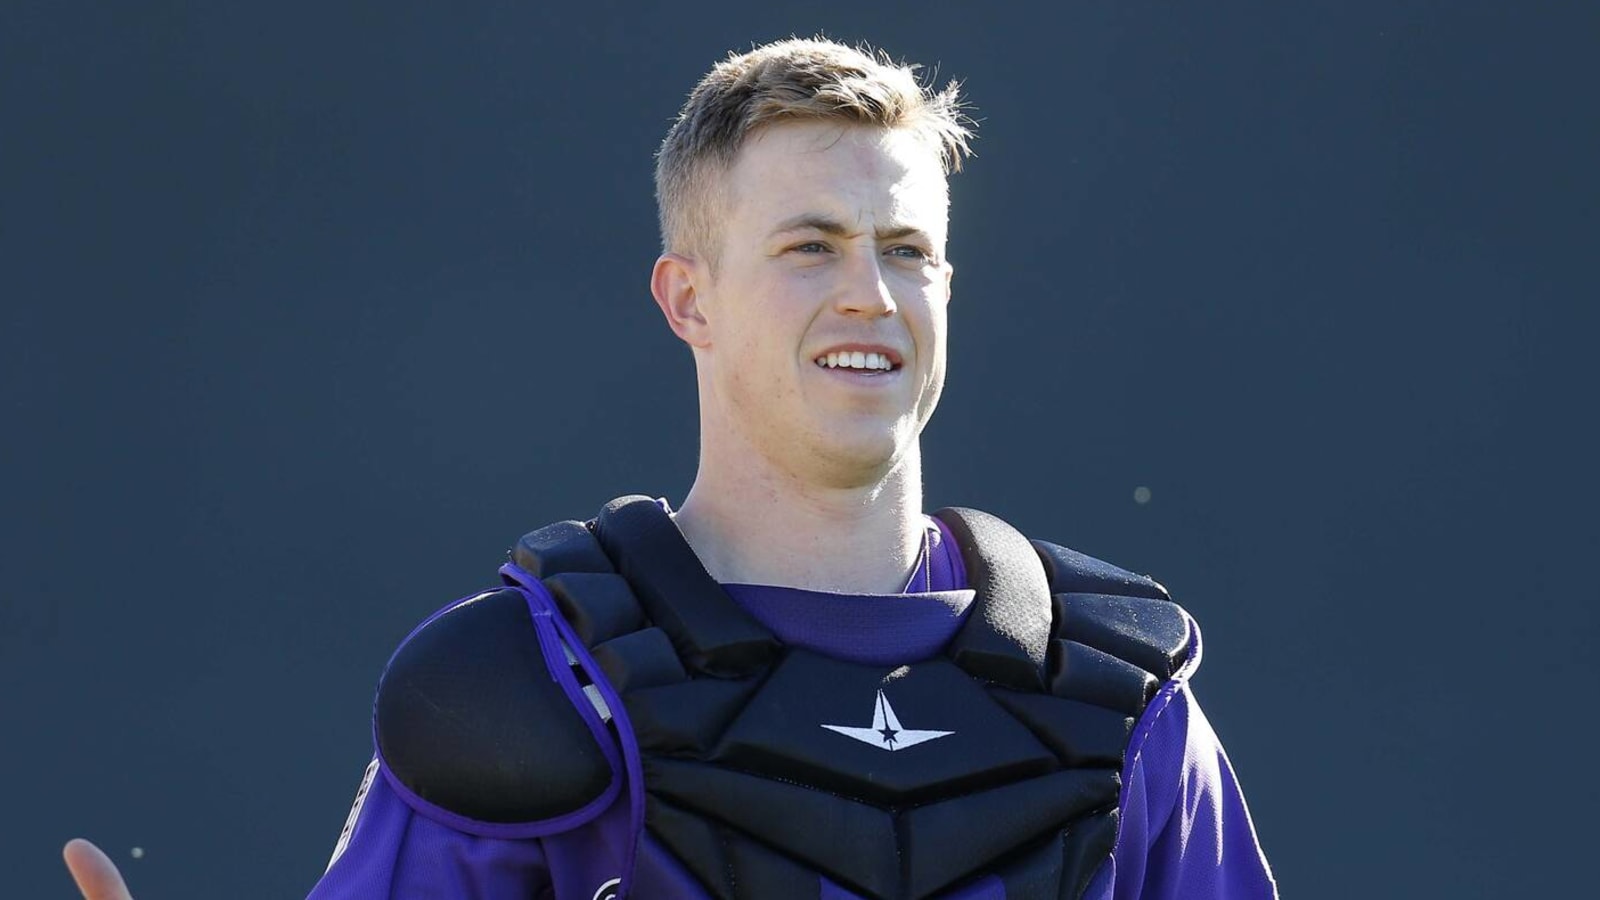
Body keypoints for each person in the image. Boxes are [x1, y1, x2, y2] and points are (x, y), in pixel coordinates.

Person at [62, 37, 1276, 900]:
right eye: (810, 246)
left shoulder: (1116, 700)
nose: (869, 291)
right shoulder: (529, 684)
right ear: (686, 298)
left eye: (907, 249)